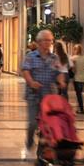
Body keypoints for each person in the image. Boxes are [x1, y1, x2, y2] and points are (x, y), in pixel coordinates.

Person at [22, 29, 65, 159]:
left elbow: (60, 72)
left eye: (50, 40)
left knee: (48, 125)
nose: (48, 43)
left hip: (50, 96)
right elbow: (25, 71)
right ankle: (29, 141)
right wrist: (31, 82)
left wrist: (61, 81)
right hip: (33, 95)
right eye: (46, 40)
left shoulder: (55, 58)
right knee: (33, 123)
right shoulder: (31, 56)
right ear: (39, 42)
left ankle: (42, 152)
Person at [71, 44, 84, 114]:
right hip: (83, 78)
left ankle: (81, 109)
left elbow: (73, 69)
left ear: (75, 50)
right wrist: (82, 68)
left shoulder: (73, 58)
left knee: (78, 94)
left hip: (76, 78)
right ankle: (79, 108)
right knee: (79, 93)